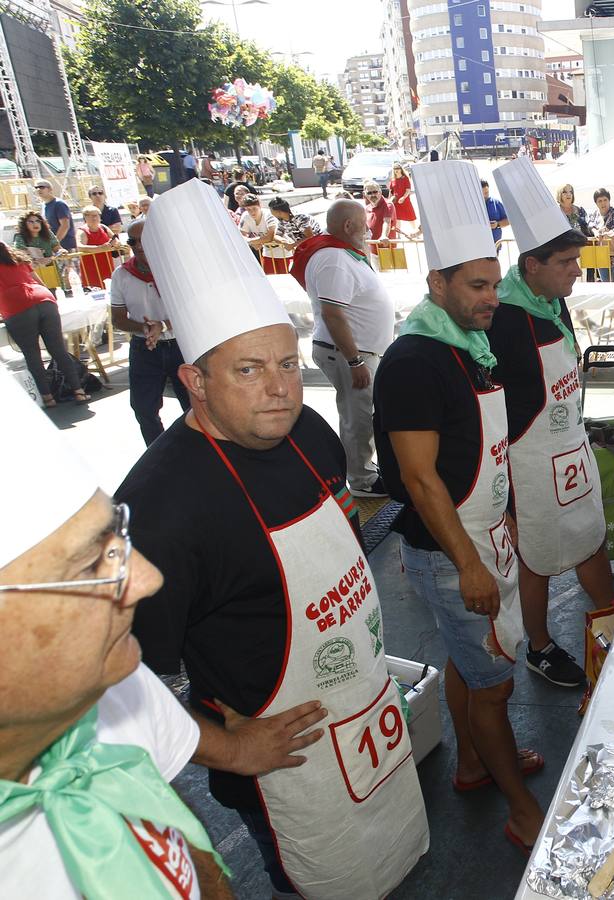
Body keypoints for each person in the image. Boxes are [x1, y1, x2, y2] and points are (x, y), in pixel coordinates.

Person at [121, 180, 428, 899]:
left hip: (367, 709)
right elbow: (122, 685)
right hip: (281, 766)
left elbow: (343, 539)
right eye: (249, 371)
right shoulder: (159, 508)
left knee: (395, 867)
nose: (280, 390)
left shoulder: (310, 434)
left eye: (287, 364)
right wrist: (228, 748)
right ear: (194, 380)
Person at [0, 375, 234, 899]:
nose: (147, 579)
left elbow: (176, 832)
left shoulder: (108, 676)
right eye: (89, 564)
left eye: (117, 535)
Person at [372, 159, 543, 851]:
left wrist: (503, 516)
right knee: (495, 687)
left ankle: (473, 763)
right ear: (435, 281)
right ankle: (519, 806)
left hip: (481, 535)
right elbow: (419, 480)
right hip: (451, 553)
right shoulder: (414, 360)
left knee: (473, 670)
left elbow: (475, 452)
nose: (490, 299)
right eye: (475, 286)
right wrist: (469, 563)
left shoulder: (468, 347)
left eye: (494, 285)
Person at [489, 156, 614, 688]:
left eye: (576, 259)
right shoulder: (503, 319)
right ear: (532, 266)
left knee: (590, 535)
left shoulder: (552, 305)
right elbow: (495, 409)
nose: (577, 271)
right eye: (566, 262)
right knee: (536, 557)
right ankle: (539, 646)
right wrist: (507, 500)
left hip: (571, 446)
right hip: (530, 459)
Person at [291, 199, 395, 498]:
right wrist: (354, 361)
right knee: (358, 416)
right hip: (350, 353)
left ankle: (365, 471)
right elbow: (333, 314)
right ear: (348, 225)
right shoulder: (334, 258)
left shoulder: (341, 253)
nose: (369, 228)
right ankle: (362, 480)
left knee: (362, 413)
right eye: (365, 223)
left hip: (358, 351)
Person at [110, 219, 189, 444]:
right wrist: (144, 328)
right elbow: (118, 319)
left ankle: (199, 454)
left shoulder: (177, 269)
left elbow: (189, 310)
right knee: (144, 409)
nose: (138, 245)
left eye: (143, 239)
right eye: (132, 241)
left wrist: (161, 326)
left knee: (194, 406)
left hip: (180, 345)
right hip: (144, 347)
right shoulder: (121, 275)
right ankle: (158, 453)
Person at [0, 242, 84, 405]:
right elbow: (39, 282)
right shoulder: (19, 260)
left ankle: (47, 397)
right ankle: (79, 391)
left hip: (16, 306)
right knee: (58, 349)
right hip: (43, 298)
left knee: (32, 354)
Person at [14, 208, 70, 297]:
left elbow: (57, 247)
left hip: (49, 270)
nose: (35, 223)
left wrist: (61, 251)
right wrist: (37, 260)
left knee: (51, 295)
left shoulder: (48, 233)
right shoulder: (20, 237)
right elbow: (20, 253)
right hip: (32, 274)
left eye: (37, 221)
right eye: (31, 222)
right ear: (24, 224)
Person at [74, 206, 118, 292]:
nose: (94, 218)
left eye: (96, 215)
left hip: (107, 265)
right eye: (90, 215)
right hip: (91, 268)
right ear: (85, 217)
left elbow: (115, 240)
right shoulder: (82, 231)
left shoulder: (104, 227)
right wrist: (99, 248)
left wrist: (114, 244)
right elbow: (79, 247)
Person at [236, 193, 277, 265]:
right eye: (248, 209)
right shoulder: (245, 216)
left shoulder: (268, 215)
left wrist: (251, 241)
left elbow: (270, 237)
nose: (252, 212)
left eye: (254, 208)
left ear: (260, 206)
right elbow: (241, 236)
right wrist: (254, 243)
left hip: (283, 251)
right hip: (267, 253)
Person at [35, 180, 75, 255]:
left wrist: (55, 243)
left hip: (66, 246)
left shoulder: (59, 204)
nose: (38, 189)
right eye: (36, 187)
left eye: (42, 187)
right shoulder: (44, 205)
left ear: (50, 189)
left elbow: (65, 225)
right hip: (55, 248)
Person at [483, 178, 510, 250]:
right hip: (479, 245)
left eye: (486, 193)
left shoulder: (496, 203)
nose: (485, 196)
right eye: (482, 193)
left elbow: (508, 220)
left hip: (495, 245)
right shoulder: (473, 205)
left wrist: (497, 224)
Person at [364, 180, 394, 244]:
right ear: (365, 194)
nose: (372, 195)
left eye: (375, 192)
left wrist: (384, 235)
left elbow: (387, 222)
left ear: (380, 192)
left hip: (386, 247)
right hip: (371, 247)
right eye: (369, 193)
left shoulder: (388, 204)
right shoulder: (367, 208)